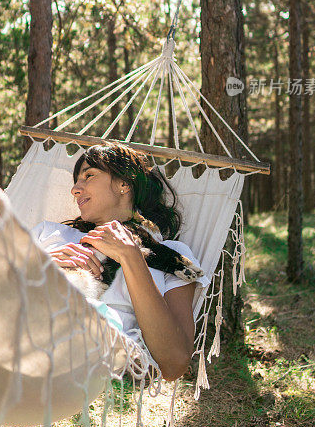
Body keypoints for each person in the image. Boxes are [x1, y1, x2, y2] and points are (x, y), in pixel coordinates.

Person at [32, 143, 209, 382]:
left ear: (124, 184)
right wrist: (41, 264)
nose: (75, 189)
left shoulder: (172, 257)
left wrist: (131, 257)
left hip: (95, 348)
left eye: (89, 176)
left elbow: (174, 364)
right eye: (76, 181)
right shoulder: (50, 234)